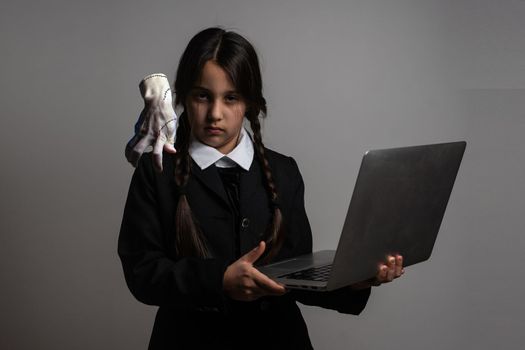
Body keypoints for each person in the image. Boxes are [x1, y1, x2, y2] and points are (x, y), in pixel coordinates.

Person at [118, 27, 404, 350]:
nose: (215, 113)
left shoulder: (284, 172)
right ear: (183, 96)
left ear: (250, 103)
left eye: (231, 98)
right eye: (202, 96)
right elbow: (141, 272)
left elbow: (296, 278)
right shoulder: (156, 170)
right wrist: (220, 281)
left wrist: (357, 279)